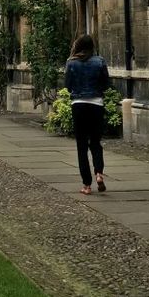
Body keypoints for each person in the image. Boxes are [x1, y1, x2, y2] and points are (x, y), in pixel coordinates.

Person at [64, 34, 110, 195]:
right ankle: (98, 173)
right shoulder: (100, 61)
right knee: (96, 143)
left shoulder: (71, 63)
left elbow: (68, 86)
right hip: (96, 104)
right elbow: (106, 83)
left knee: (81, 146)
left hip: (78, 105)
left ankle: (87, 185)